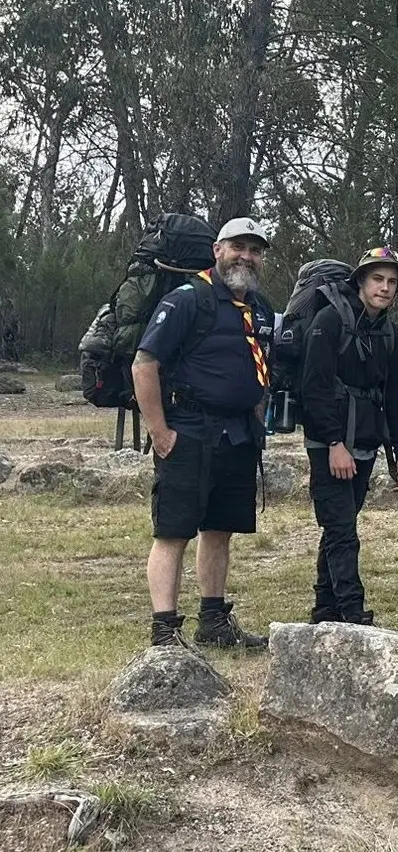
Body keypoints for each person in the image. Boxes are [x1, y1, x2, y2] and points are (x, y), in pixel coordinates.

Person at [134, 217, 275, 648]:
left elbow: (263, 364)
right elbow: (144, 365)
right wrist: (160, 432)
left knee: (220, 528)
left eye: (254, 250)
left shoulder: (260, 306)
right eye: (238, 247)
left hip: (237, 436)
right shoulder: (187, 299)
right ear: (218, 250)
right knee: (173, 531)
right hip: (189, 431)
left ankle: (213, 621)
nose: (246, 257)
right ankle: (164, 630)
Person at [298, 247, 398, 626]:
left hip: (366, 441)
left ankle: (324, 608)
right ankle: (351, 610)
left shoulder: (391, 334)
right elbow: (313, 387)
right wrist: (333, 443)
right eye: (378, 279)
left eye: (392, 282)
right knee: (342, 528)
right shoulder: (330, 321)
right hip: (329, 443)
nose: (385, 288)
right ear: (361, 282)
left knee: (340, 525)